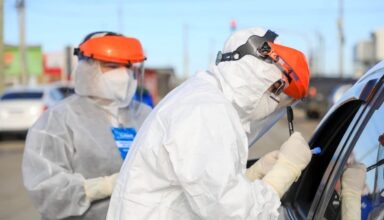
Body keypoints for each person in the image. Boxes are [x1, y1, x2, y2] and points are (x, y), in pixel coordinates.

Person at [107, 27, 312, 219]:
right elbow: (229, 213)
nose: (274, 101)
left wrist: (253, 175)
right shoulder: (205, 111)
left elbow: (200, 191)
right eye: (275, 89)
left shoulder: (202, 96)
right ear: (254, 72)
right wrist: (285, 170)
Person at [22, 31, 152, 220]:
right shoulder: (57, 120)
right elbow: (46, 190)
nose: (123, 75)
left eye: (128, 66)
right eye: (113, 66)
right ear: (87, 69)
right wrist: (103, 187)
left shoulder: (145, 115)